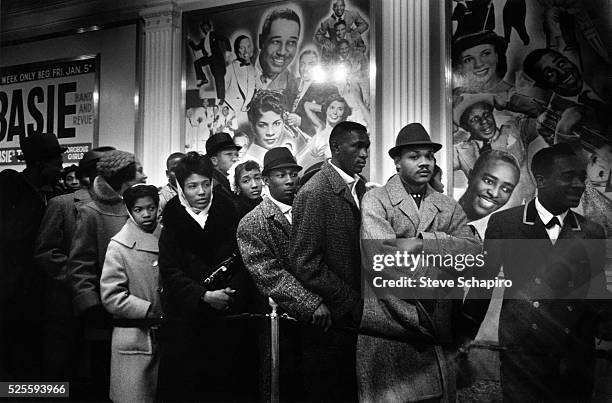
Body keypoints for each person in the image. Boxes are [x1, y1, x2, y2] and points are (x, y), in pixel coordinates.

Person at [462, 143, 611, 402]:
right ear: (540, 180)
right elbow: (482, 286)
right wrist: (463, 334)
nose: (578, 185)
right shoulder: (505, 224)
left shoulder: (592, 232)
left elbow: (595, 294)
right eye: (568, 177)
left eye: (581, 178)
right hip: (524, 354)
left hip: (576, 357)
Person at [358, 123, 481, 402]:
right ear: (397, 162)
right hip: (388, 328)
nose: (424, 162)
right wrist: (444, 268)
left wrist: (425, 242)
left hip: (436, 330)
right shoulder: (376, 200)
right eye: (414, 156)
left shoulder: (447, 205)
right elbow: (383, 259)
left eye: (429, 155)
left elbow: (474, 252)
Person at [157, 152, 256, 401]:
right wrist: (203, 295)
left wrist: (228, 294)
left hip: (229, 317)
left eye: (206, 183)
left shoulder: (231, 213)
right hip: (186, 321)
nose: (201, 191)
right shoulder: (171, 220)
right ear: (179, 187)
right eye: (192, 186)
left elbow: (246, 260)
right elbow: (170, 271)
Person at [237, 147, 331, 401]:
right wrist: (310, 303)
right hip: (281, 320)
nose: (289, 180)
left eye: (293, 173)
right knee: (285, 385)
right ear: (266, 180)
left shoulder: (312, 208)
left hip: (327, 316)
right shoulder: (252, 222)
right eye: (281, 175)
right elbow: (269, 274)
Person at [290, 121, 370, 401]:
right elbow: (305, 263)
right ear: (335, 148)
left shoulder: (361, 189)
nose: (364, 154)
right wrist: (350, 301)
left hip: (354, 320)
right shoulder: (315, 192)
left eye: (367, 147)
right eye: (357, 146)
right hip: (332, 325)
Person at [67, 150, 147, 399]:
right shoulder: (92, 212)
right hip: (105, 314)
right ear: (125, 177)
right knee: (103, 381)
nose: (144, 174)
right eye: (138, 169)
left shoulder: (139, 207)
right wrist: (92, 307)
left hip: (137, 308)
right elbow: (80, 264)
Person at [34, 146, 114, 385]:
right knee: (65, 370)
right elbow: (46, 251)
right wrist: (81, 281)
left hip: (107, 301)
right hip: (68, 304)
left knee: (99, 372)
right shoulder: (62, 205)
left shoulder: (121, 205)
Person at [0, 133, 65, 380]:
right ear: (40, 165)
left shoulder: (53, 192)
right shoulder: (10, 187)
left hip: (41, 291)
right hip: (13, 288)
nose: (61, 170)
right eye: (56, 165)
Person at [100, 184, 163, 403]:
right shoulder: (119, 245)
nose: (147, 214)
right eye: (139, 209)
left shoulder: (167, 237)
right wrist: (147, 309)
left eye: (151, 207)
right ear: (129, 210)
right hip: (136, 337)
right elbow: (111, 296)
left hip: (166, 335)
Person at [453, 95, 537, 207]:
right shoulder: (462, 151)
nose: (484, 122)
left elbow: (540, 119)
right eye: (474, 119)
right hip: (487, 214)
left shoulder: (515, 129)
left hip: (524, 207)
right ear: (466, 126)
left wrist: (509, 103)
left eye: (486, 115)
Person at [522, 48, 611, 147]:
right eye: (550, 74)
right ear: (543, 85)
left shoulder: (604, 75)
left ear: (568, 60)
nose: (562, 73)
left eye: (561, 63)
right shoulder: (551, 124)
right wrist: (564, 130)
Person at [458, 149, 521, 237]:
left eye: (506, 189)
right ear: (471, 176)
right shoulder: (441, 203)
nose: (494, 194)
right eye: (488, 181)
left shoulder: (500, 234)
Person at [284, 49, 340, 137]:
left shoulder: (329, 90)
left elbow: (331, 125)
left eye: (311, 64)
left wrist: (301, 122)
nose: (305, 68)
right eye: (302, 64)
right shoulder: (292, 84)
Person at [245, 89, 305, 163]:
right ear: (252, 125)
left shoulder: (292, 149)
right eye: (262, 125)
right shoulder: (247, 159)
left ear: (283, 123)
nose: (270, 133)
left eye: (276, 124)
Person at [299, 94, 351, 168]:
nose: (335, 112)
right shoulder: (320, 126)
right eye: (332, 108)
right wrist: (325, 109)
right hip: (301, 168)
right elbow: (307, 105)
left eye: (340, 109)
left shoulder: (340, 137)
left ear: (344, 113)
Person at [256, 8, 301, 92]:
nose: (282, 52)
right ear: (261, 41)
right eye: (276, 41)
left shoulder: (293, 87)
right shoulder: (236, 69)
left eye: (291, 42)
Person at [188, 17, 231, 100]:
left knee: (219, 79)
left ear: (209, 27)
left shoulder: (213, 34)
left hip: (217, 60)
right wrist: (190, 40)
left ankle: (221, 98)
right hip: (209, 58)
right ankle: (203, 79)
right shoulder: (203, 40)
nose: (205, 28)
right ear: (202, 30)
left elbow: (225, 39)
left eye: (206, 27)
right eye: (204, 28)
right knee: (197, 63)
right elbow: (196, 48)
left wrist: (228, 50)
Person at [224, 35, 260, 126]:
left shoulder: (253, 70)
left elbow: (259, 89)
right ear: (236, 50)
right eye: (242, 48)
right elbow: (221, 95)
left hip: (249, 115)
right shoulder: (230, 68)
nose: (246, 51)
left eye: (248, 47)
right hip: (233, 115)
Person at [206, 132, 240, 200]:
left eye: (236, 155)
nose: (235, 159)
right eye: (229, 154)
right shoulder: (213, 186)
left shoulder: (224, 181)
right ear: (214, 161)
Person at [158, 152, 185, 218]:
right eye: (175, 170)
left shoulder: (197, 190)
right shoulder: (162, 198)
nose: (179, 173)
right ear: (167, 173)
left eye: (183, 169)